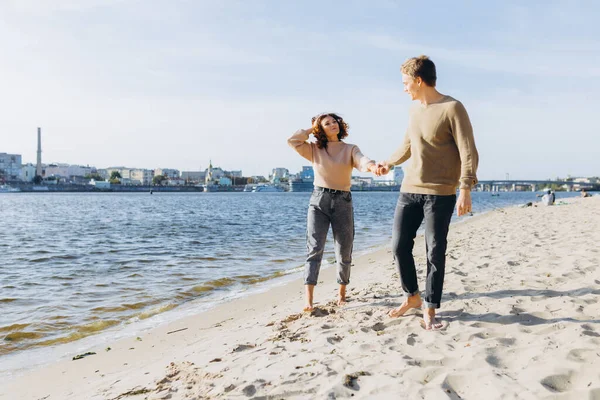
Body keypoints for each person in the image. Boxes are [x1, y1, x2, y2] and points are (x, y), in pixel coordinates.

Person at [377, 55, 479, 330]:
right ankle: (411, 296)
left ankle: (431, 307)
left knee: (435, 251)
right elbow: (408, 144)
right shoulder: (414, 111)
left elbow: (468, 150)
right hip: (409, 189)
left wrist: (465, 188)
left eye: (406, 83)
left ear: (419, 81)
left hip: (440, 193)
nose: (404, 88)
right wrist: (388, 162)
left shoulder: (452, 108)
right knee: (399, 247)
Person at [288, 113, 378, 312]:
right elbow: (293, 140)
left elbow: (362, 161)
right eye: (326, 123)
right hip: (319, 201)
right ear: (320, 128)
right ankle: (309, 301)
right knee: (314, 249)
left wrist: (372, 166)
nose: (333, 124)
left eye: (334, 121)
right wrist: (312, 128)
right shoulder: (314, 149)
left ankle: (341, 294)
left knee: (344, 250)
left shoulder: (349, 149)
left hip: (343, 202)